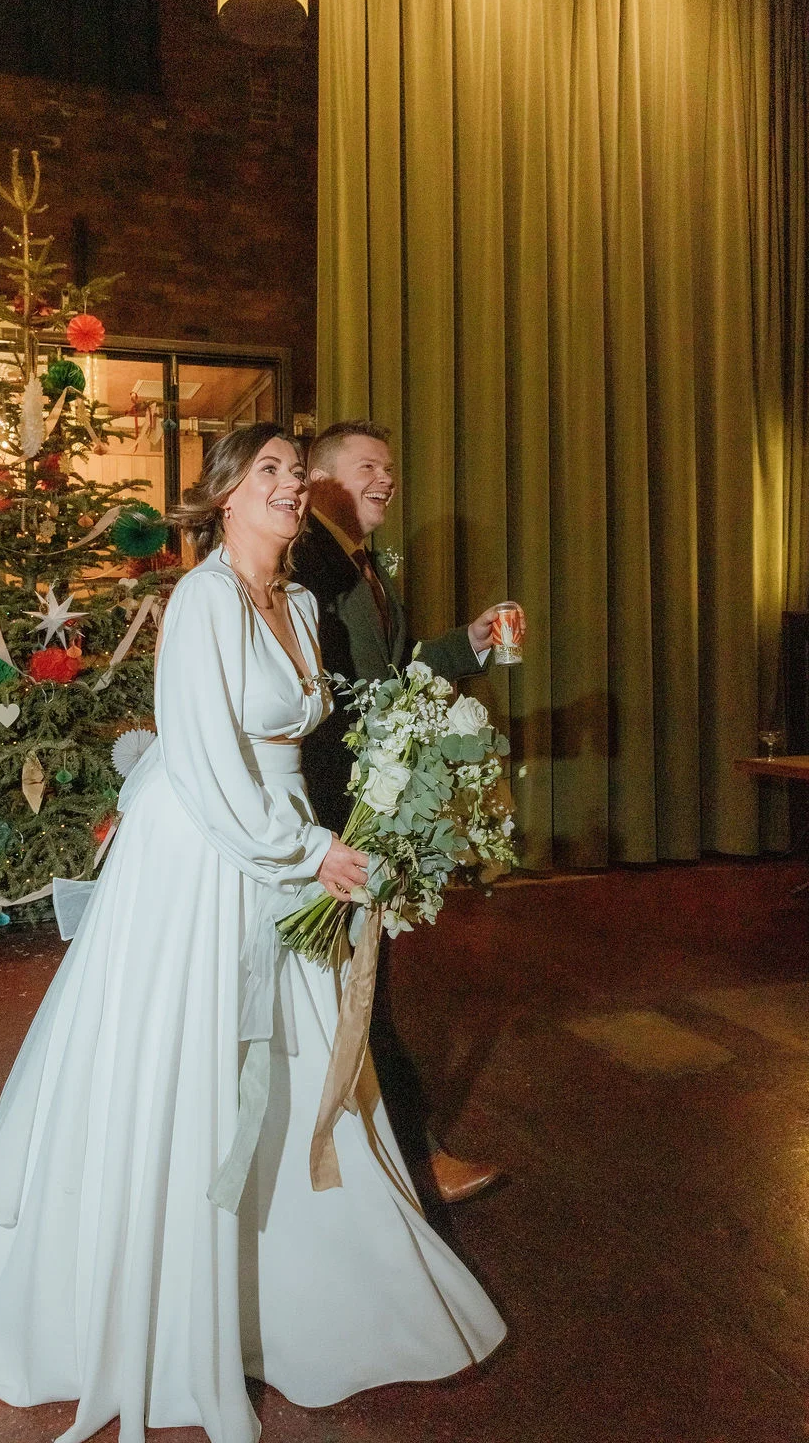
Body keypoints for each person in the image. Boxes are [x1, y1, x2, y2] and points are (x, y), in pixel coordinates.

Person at [0, 424, 505, 1443]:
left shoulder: (301, 604)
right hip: (202, 857)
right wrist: (307, 852)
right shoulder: (203, 601)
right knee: (189, 1062)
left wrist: (378, 802)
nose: (287, 485)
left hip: (282, 845)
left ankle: (295, 1286)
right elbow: (206, 762)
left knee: (293, 1061)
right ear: (225, 496)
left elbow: (320, 727)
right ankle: (165, 1286)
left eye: (294, 473)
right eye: (266, 472)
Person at [294, 421, 522, 1206]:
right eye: (368, 467)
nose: (386, 480)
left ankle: (388, 1156)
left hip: (367, 800)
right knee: (361, 989)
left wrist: (468, 642)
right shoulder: (309, 563)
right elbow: (331, 696)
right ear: (320, 481)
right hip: (335, 810)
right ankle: (411, 1160)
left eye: (389, 468)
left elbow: (391, 669)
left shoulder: (363, 563)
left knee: (361, 985)